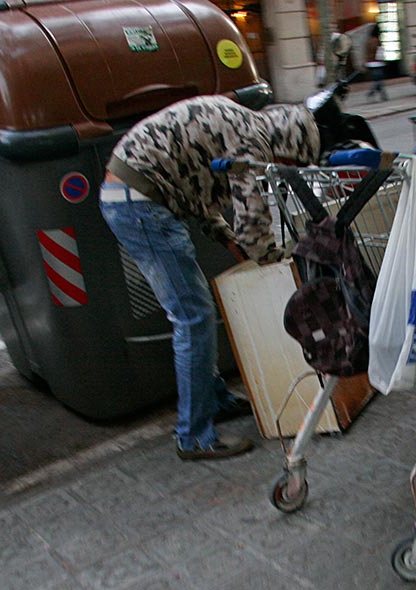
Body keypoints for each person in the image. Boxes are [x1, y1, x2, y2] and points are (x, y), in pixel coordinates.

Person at [99, 96, 320, 460]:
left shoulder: (242, 124)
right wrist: (275, 262)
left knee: (194, 308)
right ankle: (194, 437)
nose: (281, 169)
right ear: (286, 143)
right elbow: (253, 223)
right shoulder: (254, 141)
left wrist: (227, 238)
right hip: (140, 204)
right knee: (193, 315)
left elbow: (198, 191)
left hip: (132, 196)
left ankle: (213, 399)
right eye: (288, 163)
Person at [365, 24, 387, 102]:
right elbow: (379, 52)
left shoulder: (368, 41)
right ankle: (371, 93)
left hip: (370, 63)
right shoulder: (377, 41)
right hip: (377, 62)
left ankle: (383, 95)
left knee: (378, 79)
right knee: (378, 80)